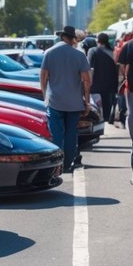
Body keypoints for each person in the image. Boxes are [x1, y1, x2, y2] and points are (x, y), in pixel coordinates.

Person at [39, 25, 91, 172]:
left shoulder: (49, 53)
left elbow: (43, 78)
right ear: (72, 38)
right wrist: (86, 101)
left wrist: (45, 96)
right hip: (74, 102)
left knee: (56, 134)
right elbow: (87, 80)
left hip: (55, 101)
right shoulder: (79, 55)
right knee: (71, 134)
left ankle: (57, 165)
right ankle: (68, 163)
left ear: (61, 36)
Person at [88, 32, 119, 125]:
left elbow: (90, 69)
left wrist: (88, 83)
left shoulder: (92, 51)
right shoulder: (113, 52)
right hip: (110, 86)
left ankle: (99, 128)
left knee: (96, 111)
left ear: (98, 41)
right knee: (107, 111)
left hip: (95, 86)